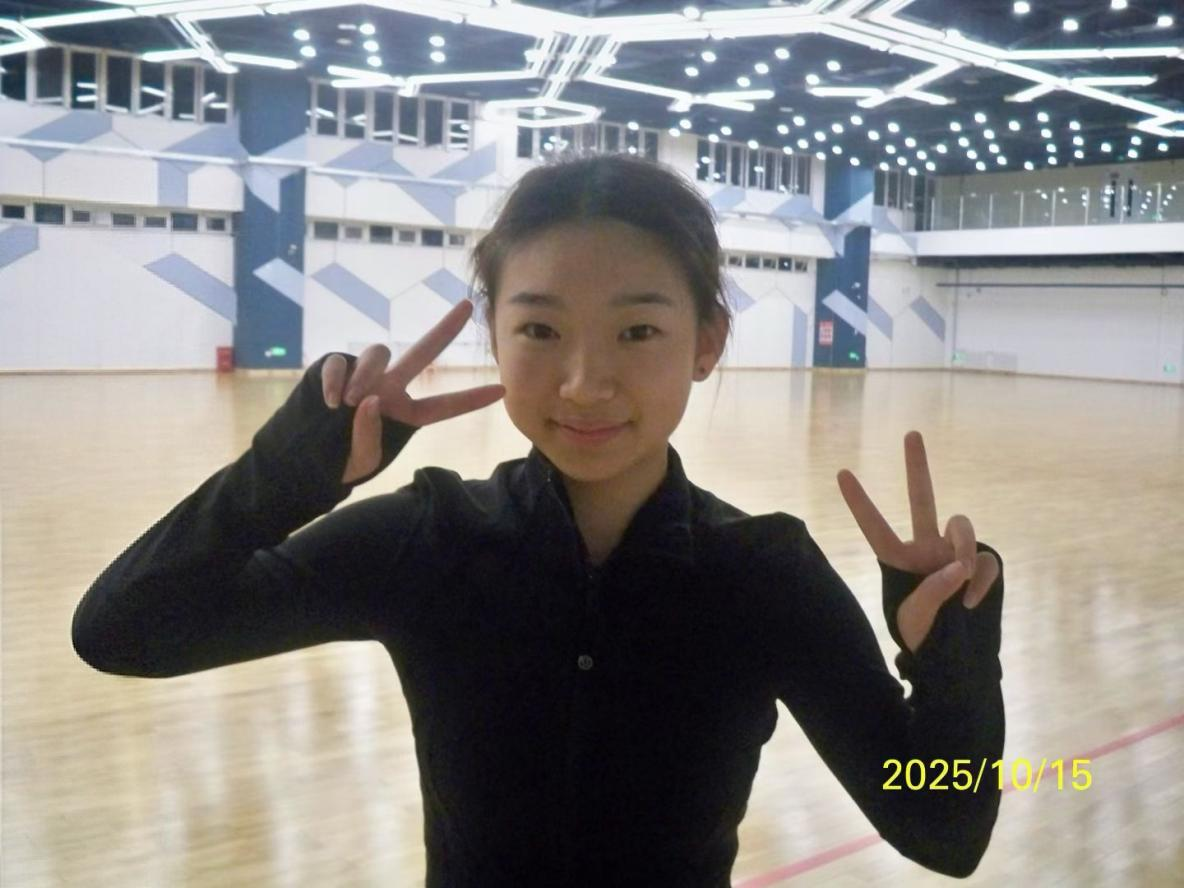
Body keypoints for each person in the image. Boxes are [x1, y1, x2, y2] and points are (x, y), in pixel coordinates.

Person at [73, 152, 1005, 886]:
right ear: (496, 334)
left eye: (637, 331)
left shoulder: (764, 573)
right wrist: (283, 476)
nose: (584, 384)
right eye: (540, 330)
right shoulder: (427, 538)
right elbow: (124, 630)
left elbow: (944, 824)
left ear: (707, 341)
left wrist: (952, 662)